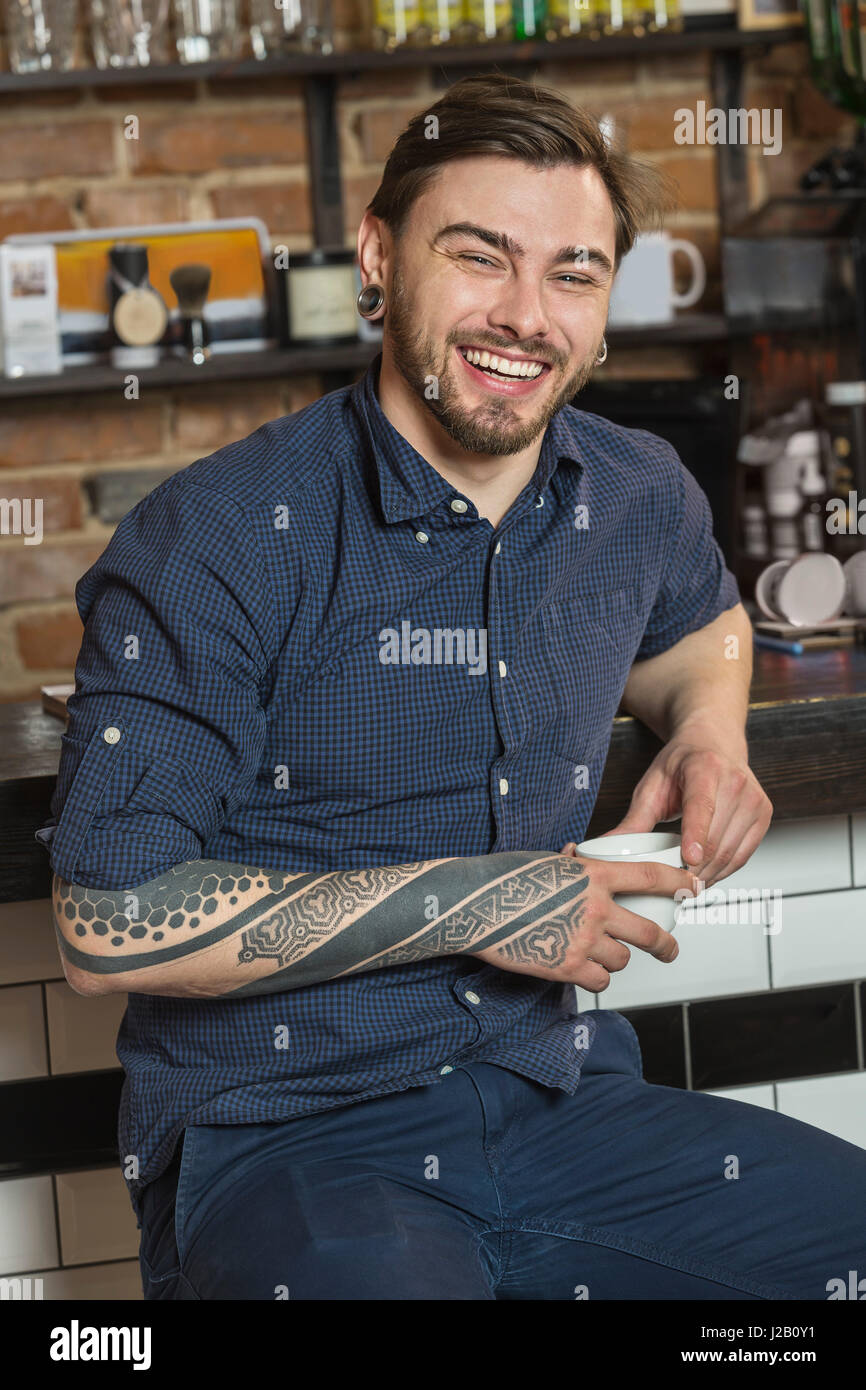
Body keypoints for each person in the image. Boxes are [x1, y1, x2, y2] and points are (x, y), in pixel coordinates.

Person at [38, 73, 866, 1301]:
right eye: (480, 257)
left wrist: (708, 729)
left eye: (572, 274)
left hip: (565, 1099)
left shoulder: (637, 493)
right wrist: (485, 905)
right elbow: (105, 920)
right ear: (379, 260)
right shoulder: (217, 533)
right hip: (289, 1140)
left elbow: (703, 626)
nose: (525, 314)